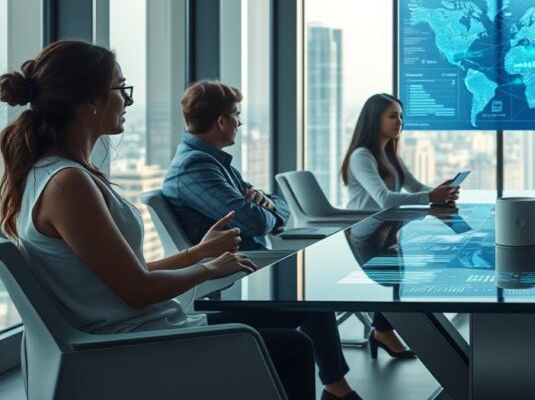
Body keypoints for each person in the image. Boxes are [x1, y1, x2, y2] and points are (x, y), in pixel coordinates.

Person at [0, 41, 318, 399]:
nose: (128, 100)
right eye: (121, 88)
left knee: (291, 323)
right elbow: (138, 290)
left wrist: (198, 253)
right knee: (294, 348)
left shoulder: (54, 175)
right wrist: (208, 270)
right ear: (90, 100)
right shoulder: (68, 184)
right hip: (135, 345)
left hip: (139, 332)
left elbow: (128, 274)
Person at [162, 80, 361, 399]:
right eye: (236, 115)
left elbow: (276, 204)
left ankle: (336, 388)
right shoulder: (195, 168)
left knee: (315, 298)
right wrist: (265, 209)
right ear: (221, 121)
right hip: (235, 272)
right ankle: (336, 388)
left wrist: (265, 205)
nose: (240, 123)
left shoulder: (213, 162)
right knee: (313, 298)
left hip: (249, 266)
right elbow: (255, 221)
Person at [341, 92, 460, 358]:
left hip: (385, 229)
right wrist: (431, 197)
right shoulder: (362, 156)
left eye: (402, 116)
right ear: (375, 119)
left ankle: (383, 330)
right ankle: (383, 331)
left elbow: (415, 187)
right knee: (400, 274)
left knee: (407, 269)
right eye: (393, 116)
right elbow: (384, 199)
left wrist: (440, 193)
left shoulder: (389, 154)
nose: (400, 122)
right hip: (364, 232)